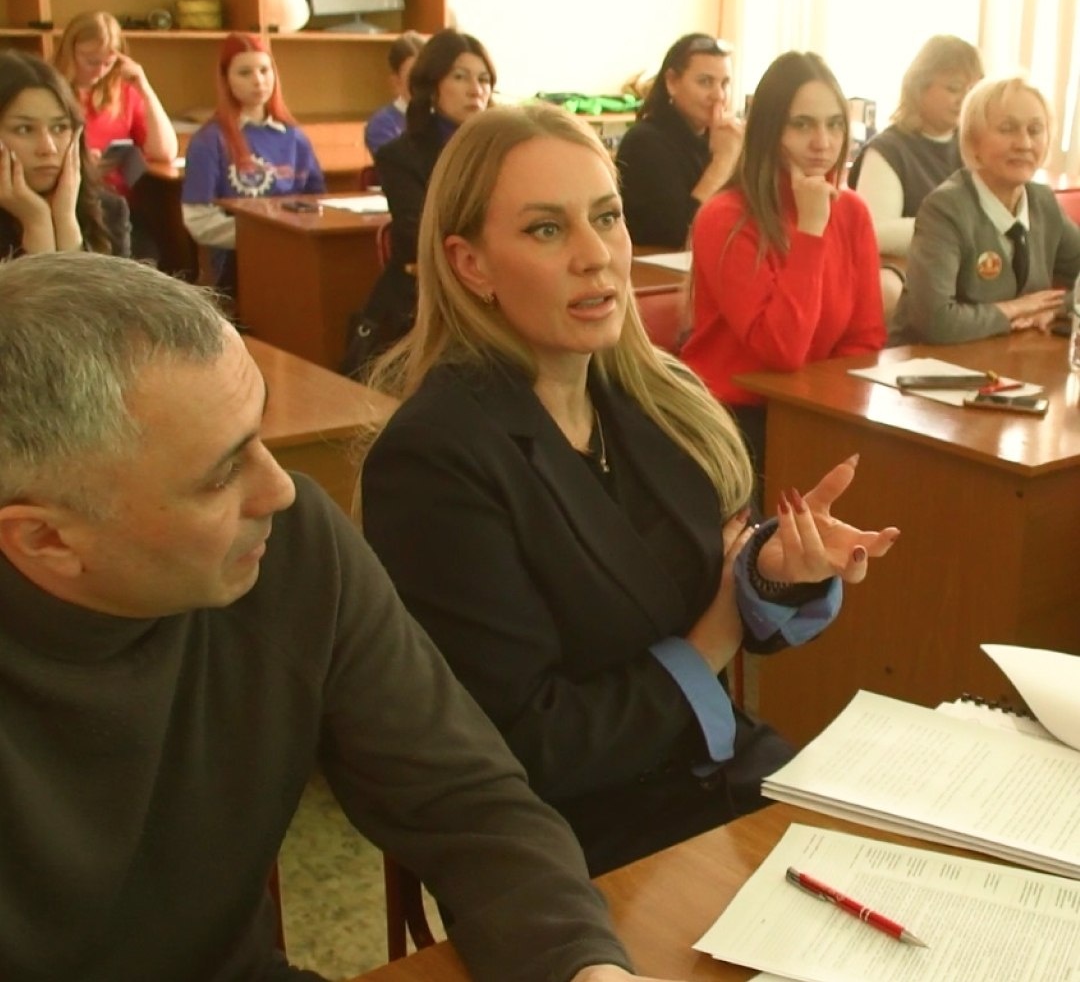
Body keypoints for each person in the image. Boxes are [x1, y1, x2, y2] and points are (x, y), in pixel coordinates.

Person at [0, 250, 683, 982]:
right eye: (222, 474)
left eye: (260, 434)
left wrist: (583, 967)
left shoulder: (288, 552)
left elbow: (464, 800)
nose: (281, 490)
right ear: (45, 539)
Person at [359, 104, 900, 877]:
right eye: (547, 229)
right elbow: (530, 744)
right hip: (581, 843)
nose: (596, 256)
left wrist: (776, 569)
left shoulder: (653, 399)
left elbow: (714, 580)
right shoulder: (434, 459)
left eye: (606, 217)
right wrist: (711, 640)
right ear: (470, 264)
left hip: (717, 773)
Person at [680, 51, 886, 474]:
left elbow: (865, 340)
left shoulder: (852, 212)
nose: (822, 142)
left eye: (834, 124)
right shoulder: (725, 218)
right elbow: (781, 350)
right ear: (770, 131)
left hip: (815, 408)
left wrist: (819, 403)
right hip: (731, 422)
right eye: (802, 125)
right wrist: (810, 230)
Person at [342, 28, 494, 374]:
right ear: (432, 85)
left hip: (494, 284)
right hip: (424, 298)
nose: (476, 89)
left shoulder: (507, 153)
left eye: (484, 79)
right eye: (460, 77)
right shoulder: (401, 155)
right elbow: (418, 235)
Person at [889, 75, 1080, 345]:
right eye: (1007, 129)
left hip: (1012, 358)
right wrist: (1014, 309)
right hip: (926, 362)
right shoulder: (945, 209)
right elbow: (936, 322)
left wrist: (1057, 308)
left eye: (1035, 130)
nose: (1024, 143)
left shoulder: (1043, 202)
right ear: (973, 141)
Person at [848, 35, 983, 317]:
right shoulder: (888, 150)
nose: (965, 99)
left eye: (973, 89)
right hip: (907, 269)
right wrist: (953, 230)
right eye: (953, 88)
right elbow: (873, 231)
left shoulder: (975, 145)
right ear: (919, 87)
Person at [182, 33, 325, 296]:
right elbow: (199, 221)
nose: (258, 81)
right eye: (245, 73)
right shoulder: (209, 140)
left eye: (264, 70)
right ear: (226, 79)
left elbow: (316, 203)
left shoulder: (294, 137)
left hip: (295, 252)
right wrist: (264, 238)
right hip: (237, 259)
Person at [615, 33, 743, 248]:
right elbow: (678, 235)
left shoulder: (722, 137)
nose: (719, 95)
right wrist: (722, 162)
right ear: (672, 82)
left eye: (725, 83)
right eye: (705, 82)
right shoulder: (644, 143)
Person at [0, 50, 129, 258]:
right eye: (24, 129)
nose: (48, 148)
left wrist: (66, 221)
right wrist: (37, 223)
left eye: (59, 128)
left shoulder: (109, 210)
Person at [54, 10, 179, 198]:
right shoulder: (48, 91)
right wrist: (80, 161)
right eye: (91, 62)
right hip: (70, 196)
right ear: (69, 52)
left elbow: (165, 152)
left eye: (108, 63)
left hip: (119, 200)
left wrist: (144, 88)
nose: (100, 71)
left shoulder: (123, 92)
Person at [364, 30, 426, 158]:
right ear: (396, 82)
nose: (421, 83)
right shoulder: (382, 125)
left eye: (426, 74)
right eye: (413, 76)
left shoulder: (441, 116)